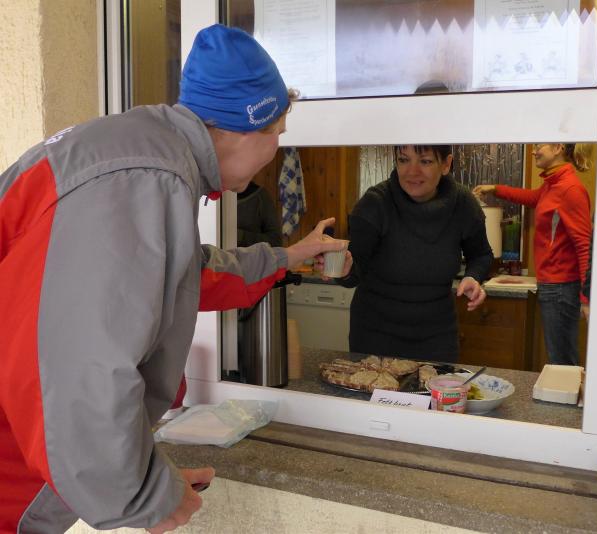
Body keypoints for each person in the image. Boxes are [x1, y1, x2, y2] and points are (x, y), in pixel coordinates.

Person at [0, 24, 347, 533]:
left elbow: (182, 273)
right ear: (245, 128)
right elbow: (82, 368)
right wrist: (145, 495)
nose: (277, 149)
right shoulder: (143, 179)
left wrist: (288, 256)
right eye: (278, 132)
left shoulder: (139, 154)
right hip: (14, 471)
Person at [334, 144, 493, 363]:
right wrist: (343, 269)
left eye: (425, 161)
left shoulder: (463, 203)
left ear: (446, 164)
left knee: (436, 386)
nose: (412, 172)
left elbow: (481, 254)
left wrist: (473, 276)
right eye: (403, 160)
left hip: (438, 337)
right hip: (375, 335)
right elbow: (354, 271)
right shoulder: (375, 203)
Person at [474, 143, 592, 366]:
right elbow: (531, 198)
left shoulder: (570, 189)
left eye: (539, 145)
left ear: (558, 148)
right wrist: (495, 189)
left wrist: (586, 298)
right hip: (553, 285)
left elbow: (584, 246)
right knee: (560, 359)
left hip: (561, 287)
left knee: (562, 362)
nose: (534, 150)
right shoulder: (552, 185)